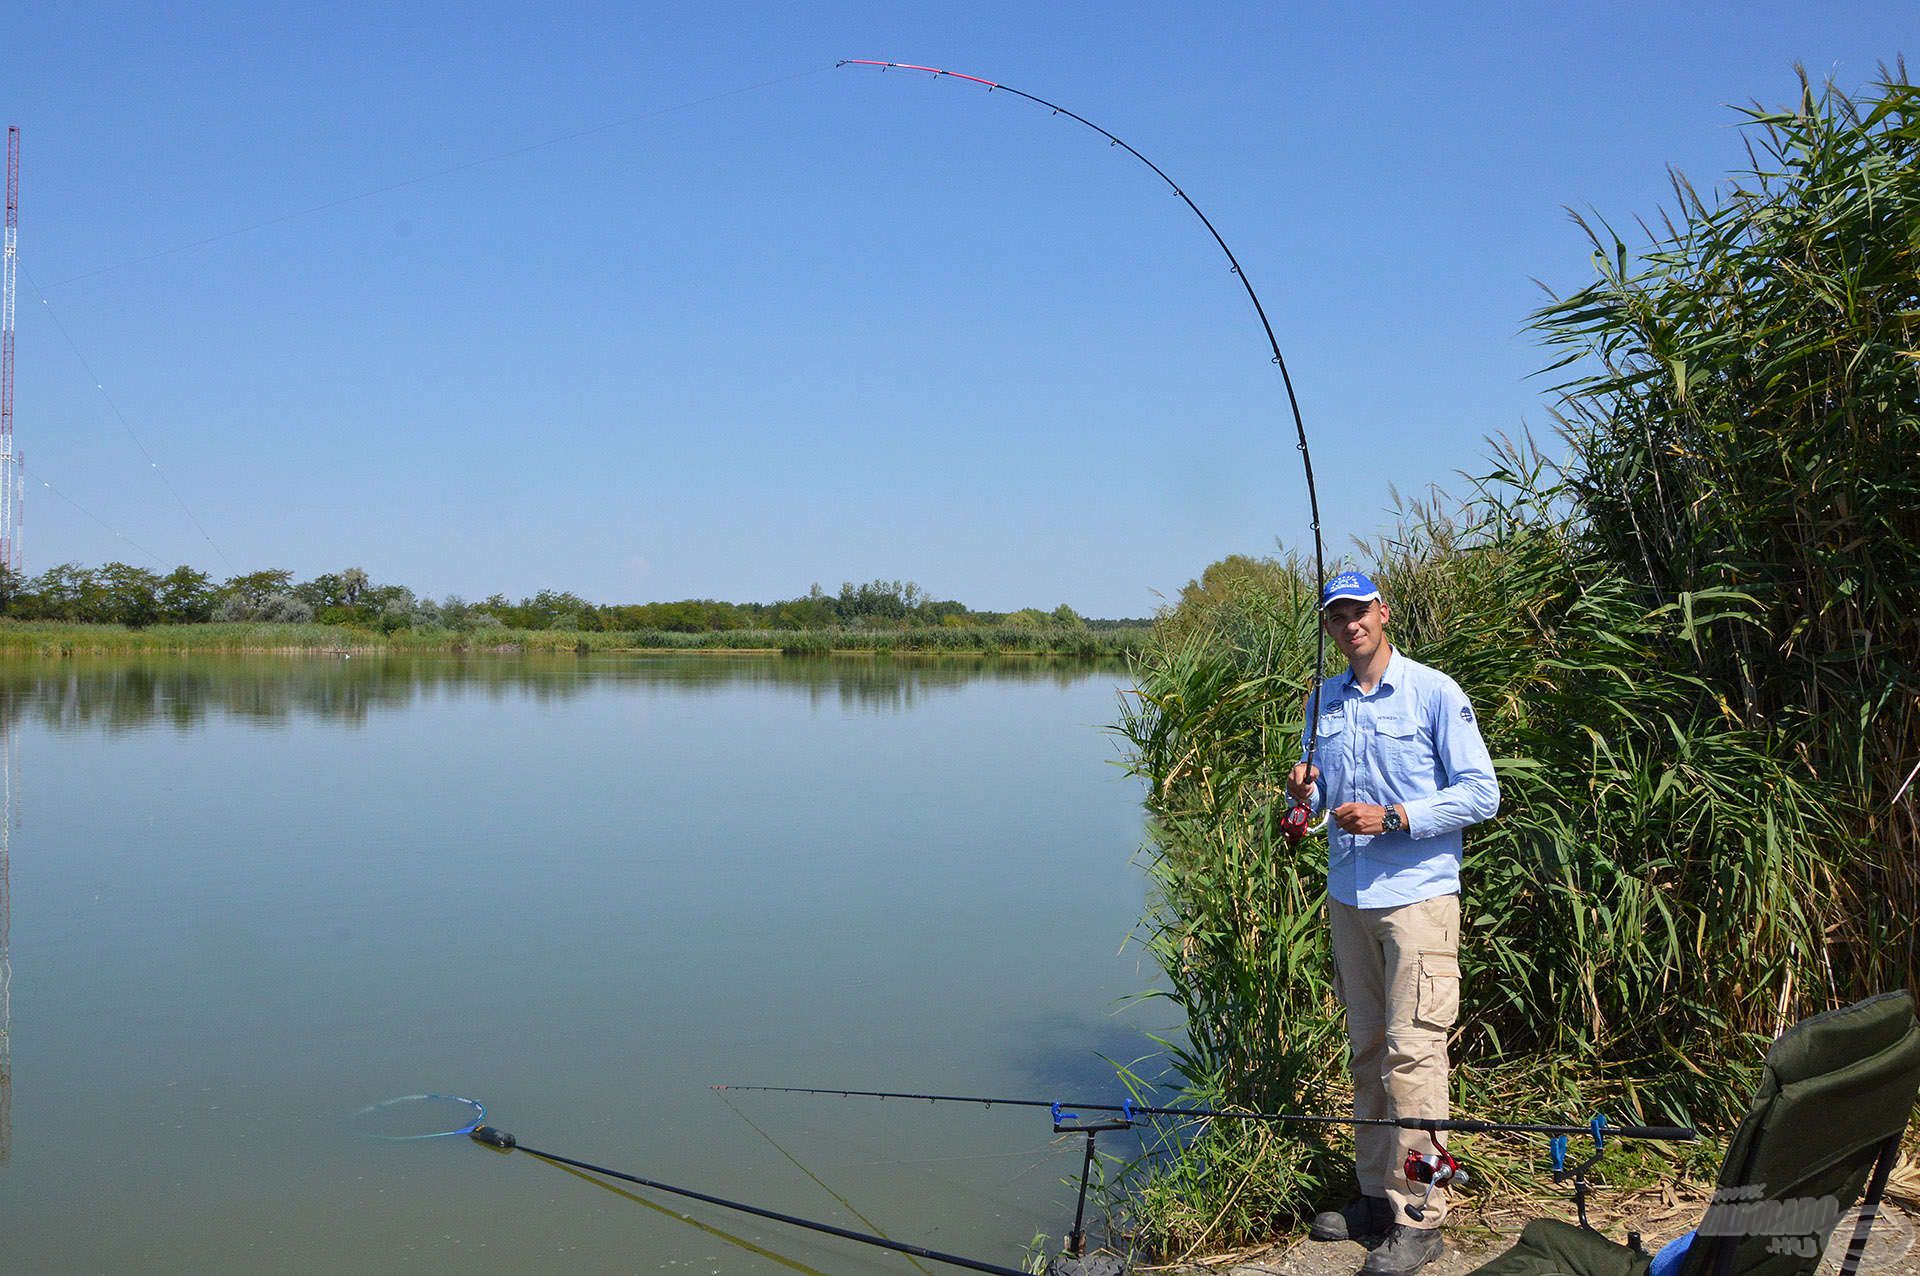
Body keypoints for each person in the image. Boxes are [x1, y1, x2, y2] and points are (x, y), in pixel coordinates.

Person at [1286, 570, 1500, 1275]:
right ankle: (1377, 1197)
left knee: (1415, 1057)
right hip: (1349, 897)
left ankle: (1424, 1213)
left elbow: (1481, 792)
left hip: (1418, 900)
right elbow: (1325, 804)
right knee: (1368, 1052)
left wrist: (1399, 817)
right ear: (1329, 627)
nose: (1350, 625)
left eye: (1359, 611)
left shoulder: (1435, 692)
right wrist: (1304, 799)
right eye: (1336, 615)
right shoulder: (1325, 700)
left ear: (1384, 613)